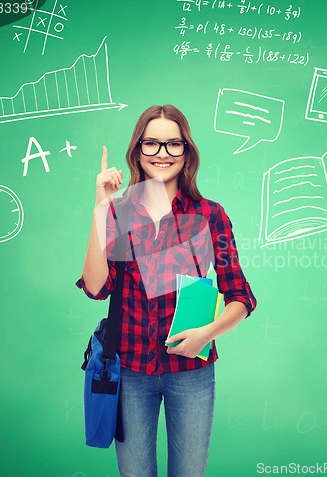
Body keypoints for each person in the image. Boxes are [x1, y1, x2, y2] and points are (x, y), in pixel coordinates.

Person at [76, 104, 256, 477]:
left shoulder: (209, 214)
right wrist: (100, 207)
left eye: (173, 144)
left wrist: (207, 334)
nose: (162, 153)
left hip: (191, 370)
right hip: (130, 371)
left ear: (186, 152)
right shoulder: (118, 211)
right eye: (152, 144)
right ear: (137, 151)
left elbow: (239, 296)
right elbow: (96, 287)